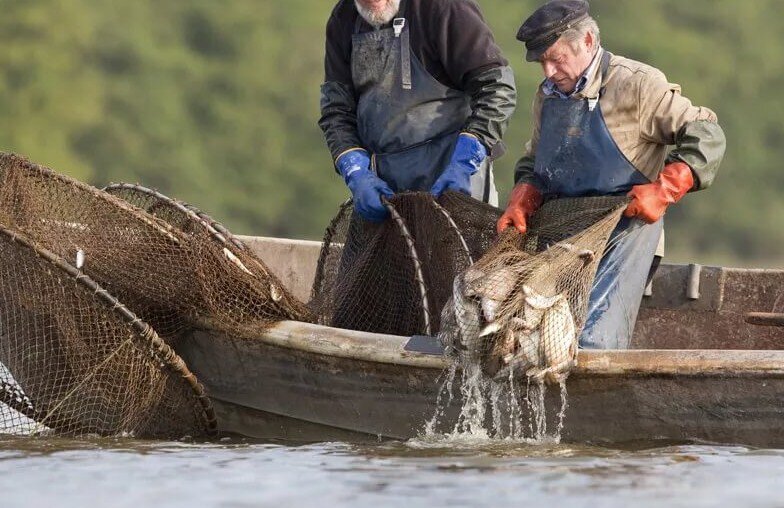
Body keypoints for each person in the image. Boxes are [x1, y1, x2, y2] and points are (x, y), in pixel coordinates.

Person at [497, 0, 726, 349]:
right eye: (541, 62)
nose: (548, 71)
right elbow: (535, 158)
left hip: (624, 235)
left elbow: (707, 132)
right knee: (531, 337)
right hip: (560, 233)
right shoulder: (548, 96)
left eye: (556, 59)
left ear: (588, 42)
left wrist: (665, 189)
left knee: (591, 341)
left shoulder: (636, 84)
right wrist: (524, 193)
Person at [318, 0, 517, 222]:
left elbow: (497, 89)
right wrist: (355, 170)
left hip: (453, 179)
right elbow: (336, 111)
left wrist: (465, 160)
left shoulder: (444, 7)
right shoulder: (342, 19)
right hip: (383, 191)